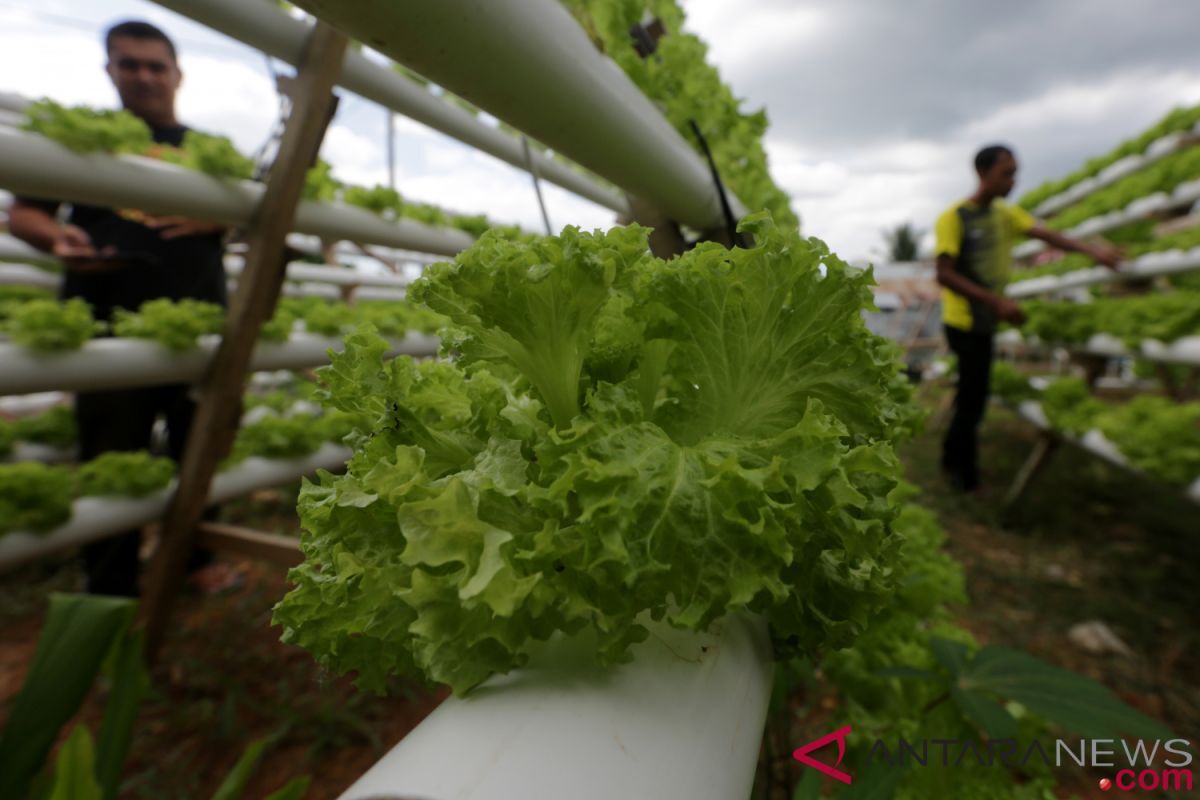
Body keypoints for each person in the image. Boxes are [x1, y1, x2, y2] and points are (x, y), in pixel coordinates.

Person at [8, 20, 231, 595]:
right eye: (129, 64)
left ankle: (197, 562)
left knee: (200, 446)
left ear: (177, 73)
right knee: (109, 454)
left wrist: (217, 215)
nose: (143, 76)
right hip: (105, 322)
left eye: (155, 65)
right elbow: (26, 212)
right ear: (109, 71)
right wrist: (58, 239)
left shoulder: (207, 153)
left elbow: (254, 216)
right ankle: (112, 588)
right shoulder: (83, 145)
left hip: (199, 318)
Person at [934, 144, 1120, 492]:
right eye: (1007, 173)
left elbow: (1048, 235)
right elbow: (944, 274)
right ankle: (962, 476)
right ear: (982, 173)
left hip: (986, 320)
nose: (1013, 181)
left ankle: (954, 461)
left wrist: (1095, 252)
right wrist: (995, 302)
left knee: (973, 395)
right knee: (973, 399)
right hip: (963, 322)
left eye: (1015, 173)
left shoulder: (1006, 214)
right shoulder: (954, 217)